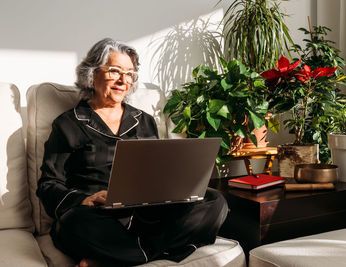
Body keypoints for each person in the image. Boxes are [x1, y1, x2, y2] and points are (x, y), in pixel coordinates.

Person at [36, 38, 228, 267]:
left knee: (215, 201)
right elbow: (48, 184)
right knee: (72, 224)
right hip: (97, 218)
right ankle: (165, 249)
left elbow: (158, 176)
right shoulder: (67, 124)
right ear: (92, 73)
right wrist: (84, 199)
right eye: (115, 71)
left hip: (147, 216)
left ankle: (113, 259)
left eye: (130, 74)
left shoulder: (144, 121)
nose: (123, 80)